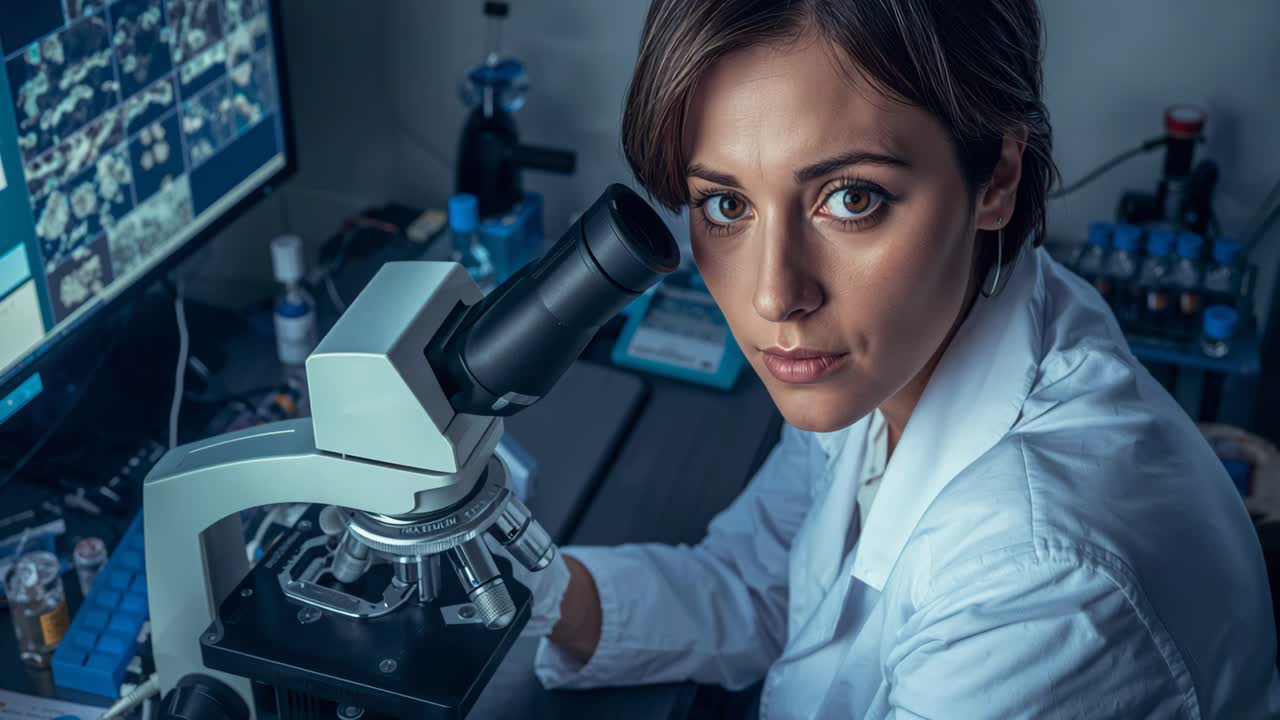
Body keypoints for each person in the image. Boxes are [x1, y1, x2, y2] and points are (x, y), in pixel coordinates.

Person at [491, 0, 1280, 716]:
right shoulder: (900, 348)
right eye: (727, 205)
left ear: (997, 175)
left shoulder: (1042, 588)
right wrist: (501, 581)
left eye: (852, 198)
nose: (775, 297)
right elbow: (763, 588)